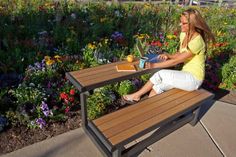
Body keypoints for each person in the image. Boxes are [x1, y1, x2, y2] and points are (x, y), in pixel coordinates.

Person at [123, 8, 215, 102]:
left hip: (193, 79)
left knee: (160, 74)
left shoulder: (197, 41)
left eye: (184, 23)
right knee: (157, 87)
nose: (180, 25)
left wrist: (153, 65)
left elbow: (177, 61)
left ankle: (136, 95)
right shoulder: (184, 34)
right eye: (180, 22)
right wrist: (169, 55)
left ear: (193, 24)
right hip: (184, 74)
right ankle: (151, 111)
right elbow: (181, 54)